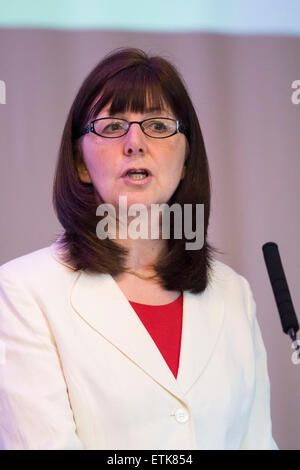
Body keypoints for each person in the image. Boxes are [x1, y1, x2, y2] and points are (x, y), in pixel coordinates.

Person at [0, 47, 278, 450]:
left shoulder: (235, 294)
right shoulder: (22, 292)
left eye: (158, 126)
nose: (135, 142)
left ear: (186, 160)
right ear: (80, 163)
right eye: (112, 127)